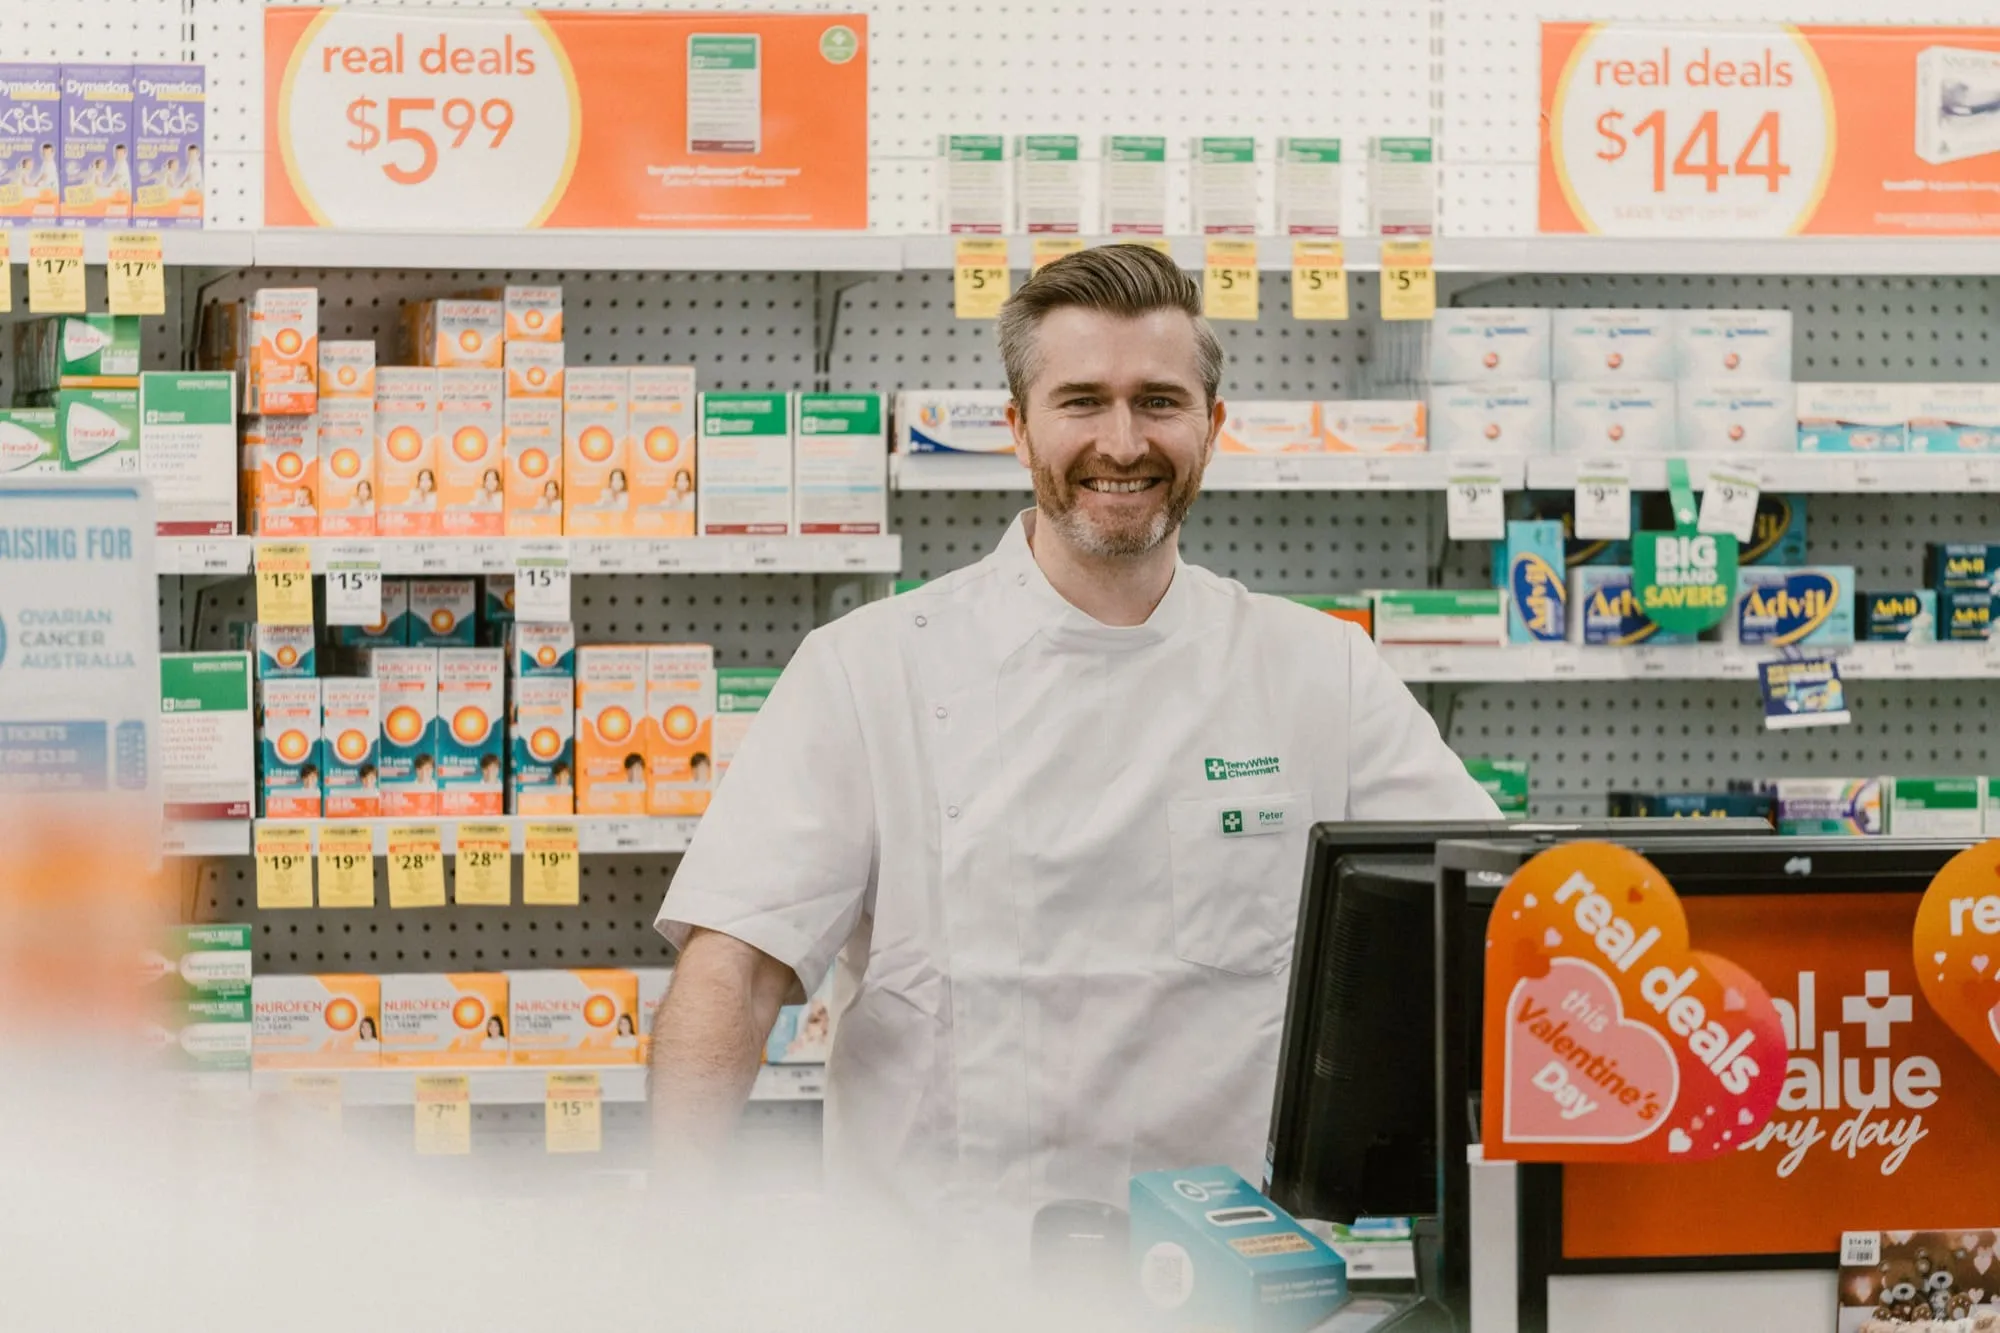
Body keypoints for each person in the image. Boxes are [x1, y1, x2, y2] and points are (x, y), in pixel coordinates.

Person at [648, 245, 1497, 1213]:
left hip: (1231, 1261)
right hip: (945, 1264)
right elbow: (736, 963)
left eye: (1160, 402)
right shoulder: (869, 666)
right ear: (1019, 428)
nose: (1123, 442)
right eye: (1082, 401)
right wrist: (676, 1220)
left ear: (1212, 427)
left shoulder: (1315, 669)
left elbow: (1480, 913)